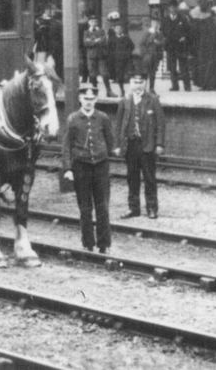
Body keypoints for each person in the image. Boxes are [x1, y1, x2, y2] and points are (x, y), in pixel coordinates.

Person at [61, 82, 114, 253]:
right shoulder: (73, 119)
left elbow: (110, 141)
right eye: (85, 98)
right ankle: (88, 243)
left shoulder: (103, 118)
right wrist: (68, 169)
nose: (88, 102)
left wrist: (104, 154)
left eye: (91, 98)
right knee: (85, 208)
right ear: (80, 99)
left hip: (100, 167)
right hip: (81, 168)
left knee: (103, 206)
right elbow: (66, 146)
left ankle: (104, 244)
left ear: (96, 99)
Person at [112, 66, 166, 219]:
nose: (138, 85)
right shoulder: (125, 101)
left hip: (147, 145)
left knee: (149, 178)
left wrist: (159, 144)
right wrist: (117, 145)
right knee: (132, 178)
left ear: (145, 83)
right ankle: (133, 208)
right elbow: (118, 125)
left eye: (141, 82)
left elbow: (161, 123)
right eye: (135, 82)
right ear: (130, 83)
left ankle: (152, 208)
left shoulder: (153, 100)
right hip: (130, 145)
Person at [163, 0, 194, 91]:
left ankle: (187, 86)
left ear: (177, 8)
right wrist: (166, 40)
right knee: (172, 67)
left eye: (174, 7)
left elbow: (189, 31)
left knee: (183, 66)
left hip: (181, 46)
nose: (173, 9)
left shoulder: (183, 19)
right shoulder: (165, 19)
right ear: (169, 8)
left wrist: (184, 37)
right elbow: (163, 31)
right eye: (171, 7)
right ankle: (174, 85)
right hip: (170, 46)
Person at [105, 15, 134, 98]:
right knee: (120, 76)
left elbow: (132, 46)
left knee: (129, 75)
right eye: (117, 29)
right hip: (117, 60)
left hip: (126, 60)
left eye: (120, 28)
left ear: (122, 29)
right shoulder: (112, 39)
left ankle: (131, 91)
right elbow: (109, 49)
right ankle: (122, 90)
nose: (119, 30)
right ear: (114, 30)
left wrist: (127, 53)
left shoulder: (126, 38)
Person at [82, 14, 111, 97]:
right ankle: (94, 91)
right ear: (89, 22)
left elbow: (104, 41)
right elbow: (86, 43)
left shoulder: (101, 31)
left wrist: (92, 41)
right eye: (92, 21)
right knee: (92, 74)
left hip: (101, 55)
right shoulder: (86, 32)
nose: (93, 23)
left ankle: (109, 91)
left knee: (104, 73)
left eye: (95, 21)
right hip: (91, 56)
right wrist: (96, 41)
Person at [138, 17, 166, 93]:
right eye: (154, 23)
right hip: (148, 55)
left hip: (156, 56)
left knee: (153, 73)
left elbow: (163, 42)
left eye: (157, 24)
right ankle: (143, 89)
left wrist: (158, 43)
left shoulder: (160, 33)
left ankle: (151, 88)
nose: (156, 25)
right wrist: (145, 53)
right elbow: (142, 44)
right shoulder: (148, 33)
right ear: (152, 24)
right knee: (145, 72)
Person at [33, 4, 63, 73]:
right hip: (45, 47)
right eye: (53, 10)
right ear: (47, 10)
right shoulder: (39, 21)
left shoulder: (56, 23)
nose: (55, 12)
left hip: (49, 48)